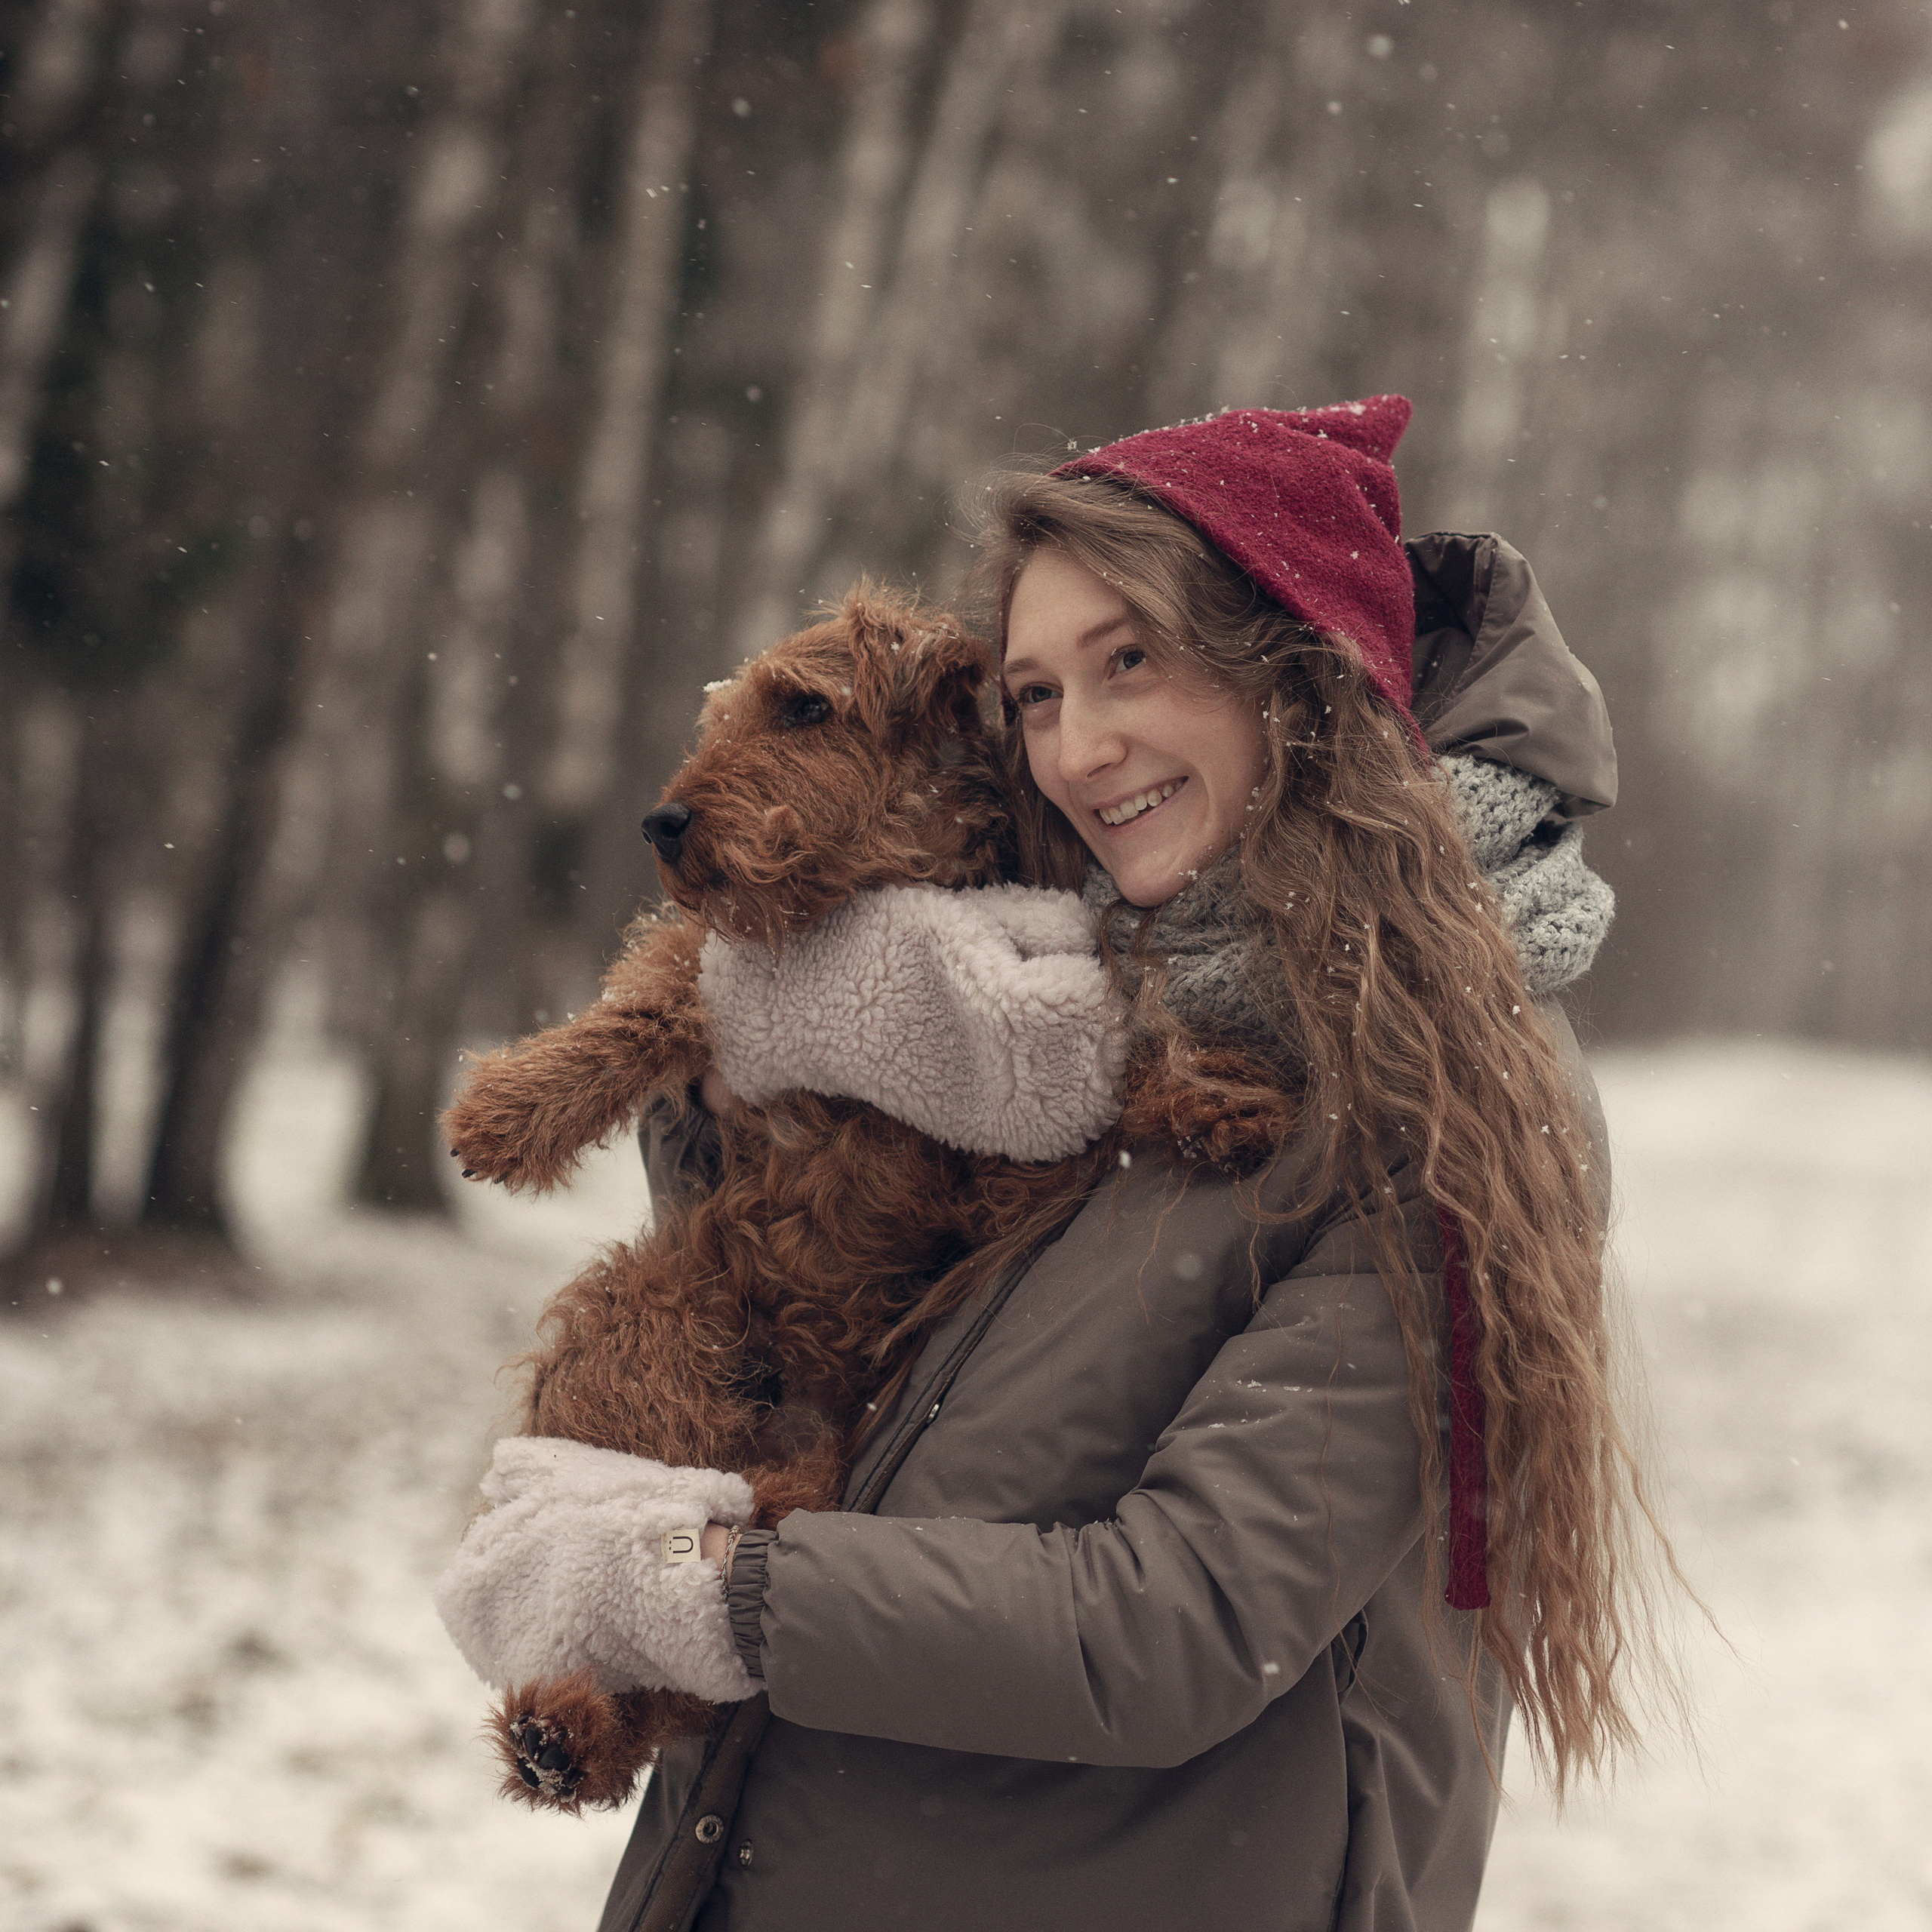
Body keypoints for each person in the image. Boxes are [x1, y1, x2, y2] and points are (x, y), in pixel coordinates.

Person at [448, 397, 1669, 1932]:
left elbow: (1172, 1621)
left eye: (1130, 661)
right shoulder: (1086, 986)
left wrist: (710, 1577)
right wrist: (755, 1067)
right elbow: (846, 1354)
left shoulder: (1439, 1084)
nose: (1077, 748)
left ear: (1294, 666)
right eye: (1033, 692)